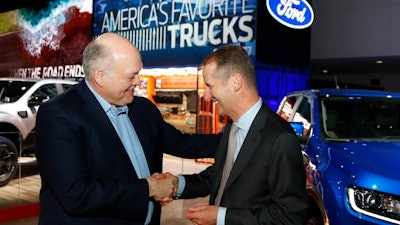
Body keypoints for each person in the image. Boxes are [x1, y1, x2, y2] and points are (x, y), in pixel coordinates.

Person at [34, 32, 221, 225]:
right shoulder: (59, 114)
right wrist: (150, 188)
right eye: (131, 76)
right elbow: (76, 194)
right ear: (100, 76)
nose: (138, 82)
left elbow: (183, 144)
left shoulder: (142, 109)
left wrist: (238, 136)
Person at [168, 45, 310, 225]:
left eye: (210, 86)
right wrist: (176, 184)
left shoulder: (280, 138)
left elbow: (291, 216)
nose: (206, 96)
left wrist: (222, 217)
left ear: (235, 82)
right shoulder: (231, 127)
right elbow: (219, 176)